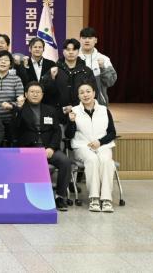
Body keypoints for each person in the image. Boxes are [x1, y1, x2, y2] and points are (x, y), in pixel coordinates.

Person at [13, 82, 72, 211]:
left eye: (38, 92)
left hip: (48, 149)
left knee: (65, 162)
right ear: (26, 94)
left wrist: (51, 147)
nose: (35, 94)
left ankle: (60, 196)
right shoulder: (21, 109)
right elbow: (15, 130)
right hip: (29, 149)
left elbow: (57, 132)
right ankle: (32, 198)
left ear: (42, 95)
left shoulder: (50, 110)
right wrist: (19, 110)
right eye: (32, 92)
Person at [66, 82, 117, 213]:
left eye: (88, 91)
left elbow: (112, 133)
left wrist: (100, 142)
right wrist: (71, 122)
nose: (85, 95)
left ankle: (106, 199)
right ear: (78, 96)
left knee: (107, 161)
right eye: (82, 92)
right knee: (92, 160)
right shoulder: (74, 111)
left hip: (102, 146)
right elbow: (69, 135)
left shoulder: (104, 110)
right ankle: (94, 198)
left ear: (94, 93)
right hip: (82, 146)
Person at [42, 38, 98, 114]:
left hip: (81, 113)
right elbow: (45, 92)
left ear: (78, 51)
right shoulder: (54, 70)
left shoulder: (87, 71)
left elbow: (94, 93)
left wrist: (75, 107)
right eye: (68, 49)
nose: (71, 52)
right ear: (63, 51)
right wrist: (51, 78)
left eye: (74, 49)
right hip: (58, 114)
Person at [0, 50, 24, 145]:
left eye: (6, 60)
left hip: (12, 122)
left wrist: (11, 106)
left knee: (10, 149)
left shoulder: (16, 79)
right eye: (0, 59)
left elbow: (21, 101)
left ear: (10, 64)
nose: (3, 62)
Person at [79, 27, 117, 106]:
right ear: (80, 40)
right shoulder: (73, 58)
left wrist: (103, 68)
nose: (87, 40)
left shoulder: (104, 59)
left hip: (99, 104)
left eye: (90, 38)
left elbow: (110, 82)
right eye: (84, 38)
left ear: (95, 40)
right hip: (77, 104)